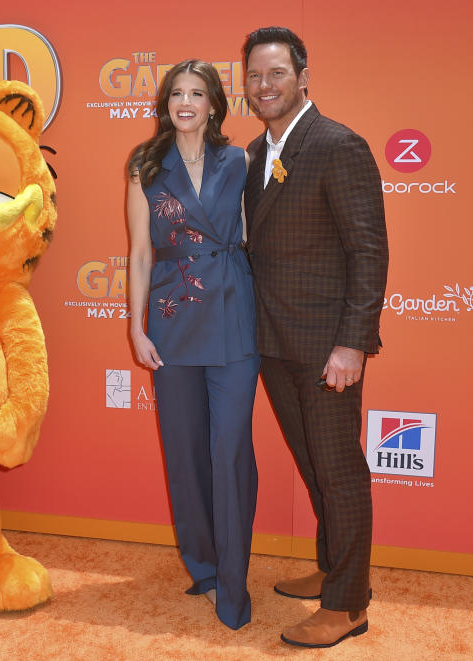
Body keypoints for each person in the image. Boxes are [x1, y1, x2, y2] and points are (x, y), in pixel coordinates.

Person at [241, 26, 389, 648]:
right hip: (273, 341)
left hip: (328, 346)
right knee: (314, 467)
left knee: (339, 472)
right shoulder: (253, 153)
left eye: (276, 73)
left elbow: (368, 250)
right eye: (254, 76)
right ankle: (334, 568)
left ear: (303, 77)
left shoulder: (338, 145)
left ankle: (348, 604)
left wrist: (352, 343)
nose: (264, 85)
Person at [127, 59, 259, 630]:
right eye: (177, 93)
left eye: (197, 93)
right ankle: (203, 566)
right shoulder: (144, 164)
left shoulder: (241, 160)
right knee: (183, 451)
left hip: (233, 313)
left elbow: (254, 235)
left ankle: (233, 583)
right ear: (166, 103)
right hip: (173, 316)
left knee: (229, 452)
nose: (186, 102)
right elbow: (137, 252)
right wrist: (135, 326)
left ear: (213, 105)